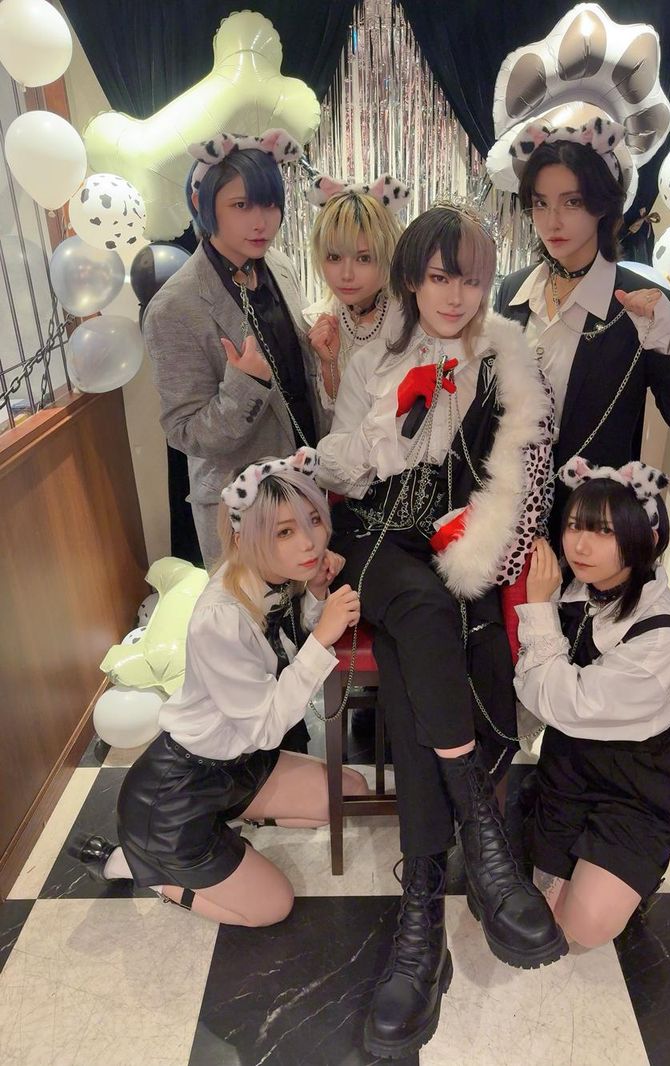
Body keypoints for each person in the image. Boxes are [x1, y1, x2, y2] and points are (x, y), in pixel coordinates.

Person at [316, 205, 566, 1059]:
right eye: (437, 277)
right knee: (421, 610)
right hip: (378, 536)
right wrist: (390, 428)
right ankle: (481, 836)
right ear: (412, 280)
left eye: (470, 277)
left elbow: (522, 477)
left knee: (420, 639)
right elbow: (338, 467)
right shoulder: (374, 356)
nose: (454, 295)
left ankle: (419, 922)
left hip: (457, 543)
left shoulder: (506, 358)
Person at [71, 450, 367, 927]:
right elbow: (266, 726)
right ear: (245, 536)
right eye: (284, 532)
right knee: (272, 906)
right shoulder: (220, 617)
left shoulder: (270, 578)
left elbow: (283, 651)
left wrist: (315, 593)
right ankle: (135, 864)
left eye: (313, 520)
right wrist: (322, 639)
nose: (309, 542)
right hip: (177, 797)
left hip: (240, 769)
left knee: (349, 792)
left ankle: (230, 825)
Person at [514, 455, 670, 949]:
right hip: (568, 768)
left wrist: (538, 608)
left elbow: (562, 702)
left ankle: (633, 870)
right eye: (575, 525)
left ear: (647, 539)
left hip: (635, 784)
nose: (579, 544)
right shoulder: (581, 587)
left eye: (604, 531)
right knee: (545, 914)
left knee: (583, 928)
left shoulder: (658, 635)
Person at [494, 118, 670, 537]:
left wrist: (667, 336)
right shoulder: (514, 290)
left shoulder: (642, 303)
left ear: (602, 206)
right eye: (540, 203)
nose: (552, 221)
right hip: (510, 516)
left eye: (572, 202)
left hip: (590, 524)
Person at [145, 129, 325, 568]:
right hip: (243, 511)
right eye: (241, 206)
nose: (261, 222)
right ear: (204, 204)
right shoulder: (173, 308)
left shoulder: (278, 265)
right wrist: (246, 385)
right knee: (253, 612)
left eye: (270, 204)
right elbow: (185, 432)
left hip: (307, 485)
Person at [304, 173, 409, 410]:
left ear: (388, 254)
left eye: (364, 258)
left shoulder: (410, 320)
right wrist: (329, 364)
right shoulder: (320, 320)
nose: (346, 274)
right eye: (334, 257)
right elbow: (336, 414)